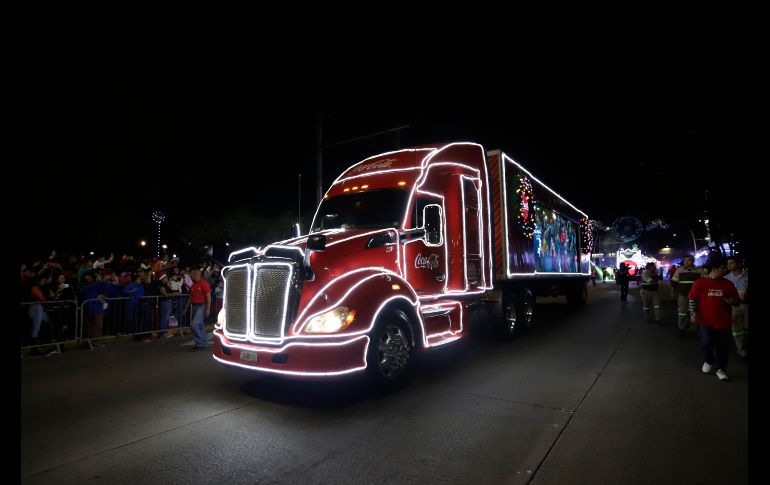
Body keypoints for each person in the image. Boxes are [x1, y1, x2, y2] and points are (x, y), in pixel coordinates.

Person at [688, 257, 740, 381]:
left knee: (723, 347)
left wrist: (732, 301)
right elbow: (692, 299)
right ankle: (708, 360)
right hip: (705, 321)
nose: (726, 270)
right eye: (723, 268)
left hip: (724, 322)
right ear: (714, 268)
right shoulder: (700, 282)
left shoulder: (728, 284)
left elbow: (737, 301)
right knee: (706, 343)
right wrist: (692, 314)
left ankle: (720, 369)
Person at [671, 255, 705, 338]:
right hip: (683, 295)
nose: (686, 262)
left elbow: (706, 281)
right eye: (685, 260)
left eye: (688, 260)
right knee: (682, 312)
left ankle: (693, 329)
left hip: (695, 295)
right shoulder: (679, 270)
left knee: (693, 312)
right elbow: (674, 283)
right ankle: (681, 329)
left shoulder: (699, 270)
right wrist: (672, 292)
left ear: (693, 261)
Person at [724, 256, 748, 358]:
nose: (729, 265)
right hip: (734, 307)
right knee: (737, 330)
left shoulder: (747, 276)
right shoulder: (726, 278)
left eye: (731, 263)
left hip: (747, 306)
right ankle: (740, 349)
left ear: (738, 264)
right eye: (728, 263)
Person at [182, 269, 211, 351]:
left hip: (202, 306)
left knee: (194, 324)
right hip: (194, 306)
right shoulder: (193, 285)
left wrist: (208, 309)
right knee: (200, 325)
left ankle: (199, 344)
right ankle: (204, 343)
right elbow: (190, 298)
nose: (190, 276)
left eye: (191, 274)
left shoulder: (204, 284)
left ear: (196, 274)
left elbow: (209, 297)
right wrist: (185, 309)